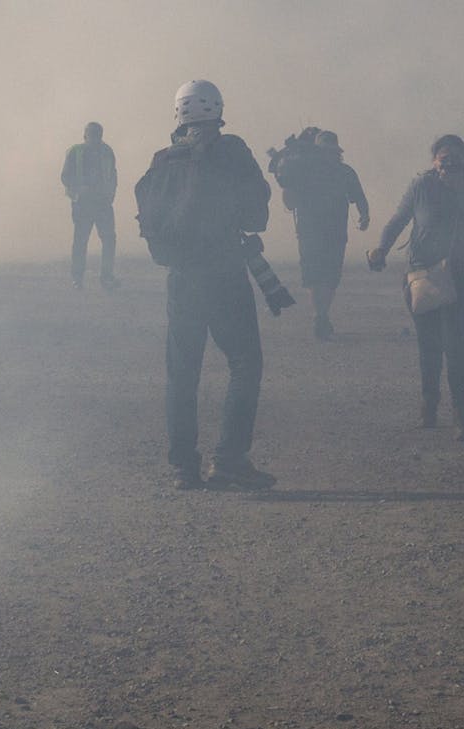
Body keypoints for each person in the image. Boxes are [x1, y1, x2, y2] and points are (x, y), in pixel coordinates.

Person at [135, 79, 277, 490]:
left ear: (178, 113)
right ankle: (230, 459)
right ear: (217, 110)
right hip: (226, 275)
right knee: (245, 364)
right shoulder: (232, 152)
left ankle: (183, 466)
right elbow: (256, 218)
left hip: (181, 280)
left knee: (182, 373)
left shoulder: (163, 160)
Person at [369, 135, 464, 439]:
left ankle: (462, 417)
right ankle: (429, 406)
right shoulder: (421, 186)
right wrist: (381, 248)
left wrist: (459, 189)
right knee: (429, 343)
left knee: (457, 345)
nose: (448, 163)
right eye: (442, 158)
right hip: (423, 276)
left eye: (454, 158)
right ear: (433, 161)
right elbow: (398, 220)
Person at [275, 129, 370, 339]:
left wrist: (365, 215)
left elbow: (359, 197)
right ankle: (321, 315)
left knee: (329, 277)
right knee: (315, 276)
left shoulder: (345, 172)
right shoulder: (305, 172)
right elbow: (289, 201)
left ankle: (321, 315)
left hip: (333, 233)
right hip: (311, 233)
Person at [61, 121, 121, 290]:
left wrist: (111, 195)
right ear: (85, 136)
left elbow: (113, 175)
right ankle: (77, 278)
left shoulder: (107, 152)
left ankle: (107, 277)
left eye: (98, 135)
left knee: (109, 240)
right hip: (82, 203)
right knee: (81, 240)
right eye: (92, 135)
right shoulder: (75, 152)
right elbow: (65, 177)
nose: (95, 138)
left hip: (103, 204)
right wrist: (80, 189)